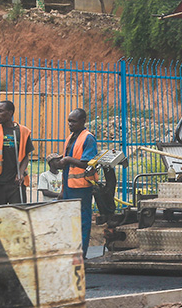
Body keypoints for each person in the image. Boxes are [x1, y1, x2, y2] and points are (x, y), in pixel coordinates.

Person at [59, 109, 98, 258]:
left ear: (83, 122)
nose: (70, 124)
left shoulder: (88, 138)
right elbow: (67, 167)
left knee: (82, 221)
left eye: (73, 121)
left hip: (82, 188)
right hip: (70, 187)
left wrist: (67, 160)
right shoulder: (70, 137)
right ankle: (72, 253)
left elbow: (88, 163)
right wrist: (63, 189)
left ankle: (81, 254)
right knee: (70, 222)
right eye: (69, 121)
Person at [0, 101, 34, 205]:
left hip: (15, 183)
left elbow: (25, 156)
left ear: (10, 113)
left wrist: (21, 173)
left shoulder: (22, 131)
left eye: (0, 111)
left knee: (18, 214)